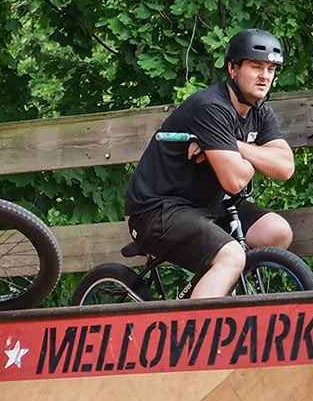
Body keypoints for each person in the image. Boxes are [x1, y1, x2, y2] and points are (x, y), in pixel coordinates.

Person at [122, 29, 298, 300]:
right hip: (157, 210)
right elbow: (235, 181)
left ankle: (213, 290)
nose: (265, 76)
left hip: (210, 206)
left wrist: (234, 145)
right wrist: (259, 155)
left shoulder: (259, 111)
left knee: (276, 231)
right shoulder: (210, 107)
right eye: (256, 66)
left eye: (271, 69)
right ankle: (194, 337)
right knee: (231, 256)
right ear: (232, 68)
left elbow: (285, 167)